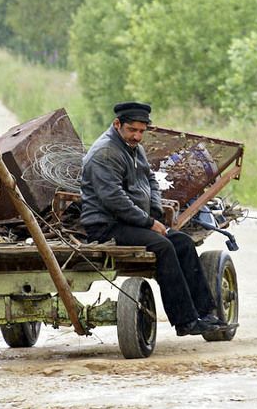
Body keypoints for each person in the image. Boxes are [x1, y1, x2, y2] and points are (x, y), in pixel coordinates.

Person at [80, 101, 221, 336]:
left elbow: (151, 181)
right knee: (164, 247)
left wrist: (154, 211)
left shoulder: (134, 149)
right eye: (132, 130)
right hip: (107, 226)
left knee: (183, 243)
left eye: (141, 131)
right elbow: (113, 199)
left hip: (133, 222)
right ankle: (185, 321)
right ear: (117, 124)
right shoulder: (105, 153)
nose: (137, 136)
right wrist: (148, 222)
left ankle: (206, 313)